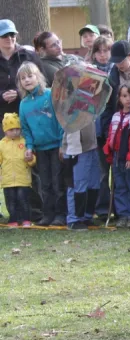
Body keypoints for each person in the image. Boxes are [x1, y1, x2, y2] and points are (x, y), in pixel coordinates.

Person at [18, 62, 65, 227]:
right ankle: (48, 215)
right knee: (45, 184)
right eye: (23, 78)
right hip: (40, 149)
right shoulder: (23, 104)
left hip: (56, 146)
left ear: (38, 77)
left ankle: (61, 214)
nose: (27, 80)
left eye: (30, 76)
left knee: (58, 182)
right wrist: (29, 147)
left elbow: (61, 119)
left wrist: (62, 143)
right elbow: (25, 129)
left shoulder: (50, 95)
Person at [103, 84, 130, 228]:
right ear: (119, 98)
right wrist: (108, 152)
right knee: (119, 187)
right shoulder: (115, 116)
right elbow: (111, 136)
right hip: (116, 157)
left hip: (129, 158)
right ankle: (122, 214)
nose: (128, 99)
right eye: (124, 96)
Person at [62, 101, 102, 231]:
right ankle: (74, 219)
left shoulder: (89, 100)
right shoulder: (67, 100)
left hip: (91, 146)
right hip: (76, 149)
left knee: (93, 184)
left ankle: (86, 216)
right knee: (77, 185)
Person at [0, 20, 43, 137]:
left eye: (12, 34)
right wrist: (2, 96)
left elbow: (42, 82)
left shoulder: (29, 56)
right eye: (4, 35)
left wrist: (19, 93)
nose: (9, 38)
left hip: (29, 113)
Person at [0, 113, 35, 227]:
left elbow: (32, 161)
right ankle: (13, 220)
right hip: (8, 180)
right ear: (5, 130)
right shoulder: (1, 144)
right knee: (10, 202)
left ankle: (26, 220)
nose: (15, 132)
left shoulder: (25, 142)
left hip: (23, 179)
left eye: (17, 129)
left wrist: (31, 159)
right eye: (11, 129)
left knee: (24, 200)